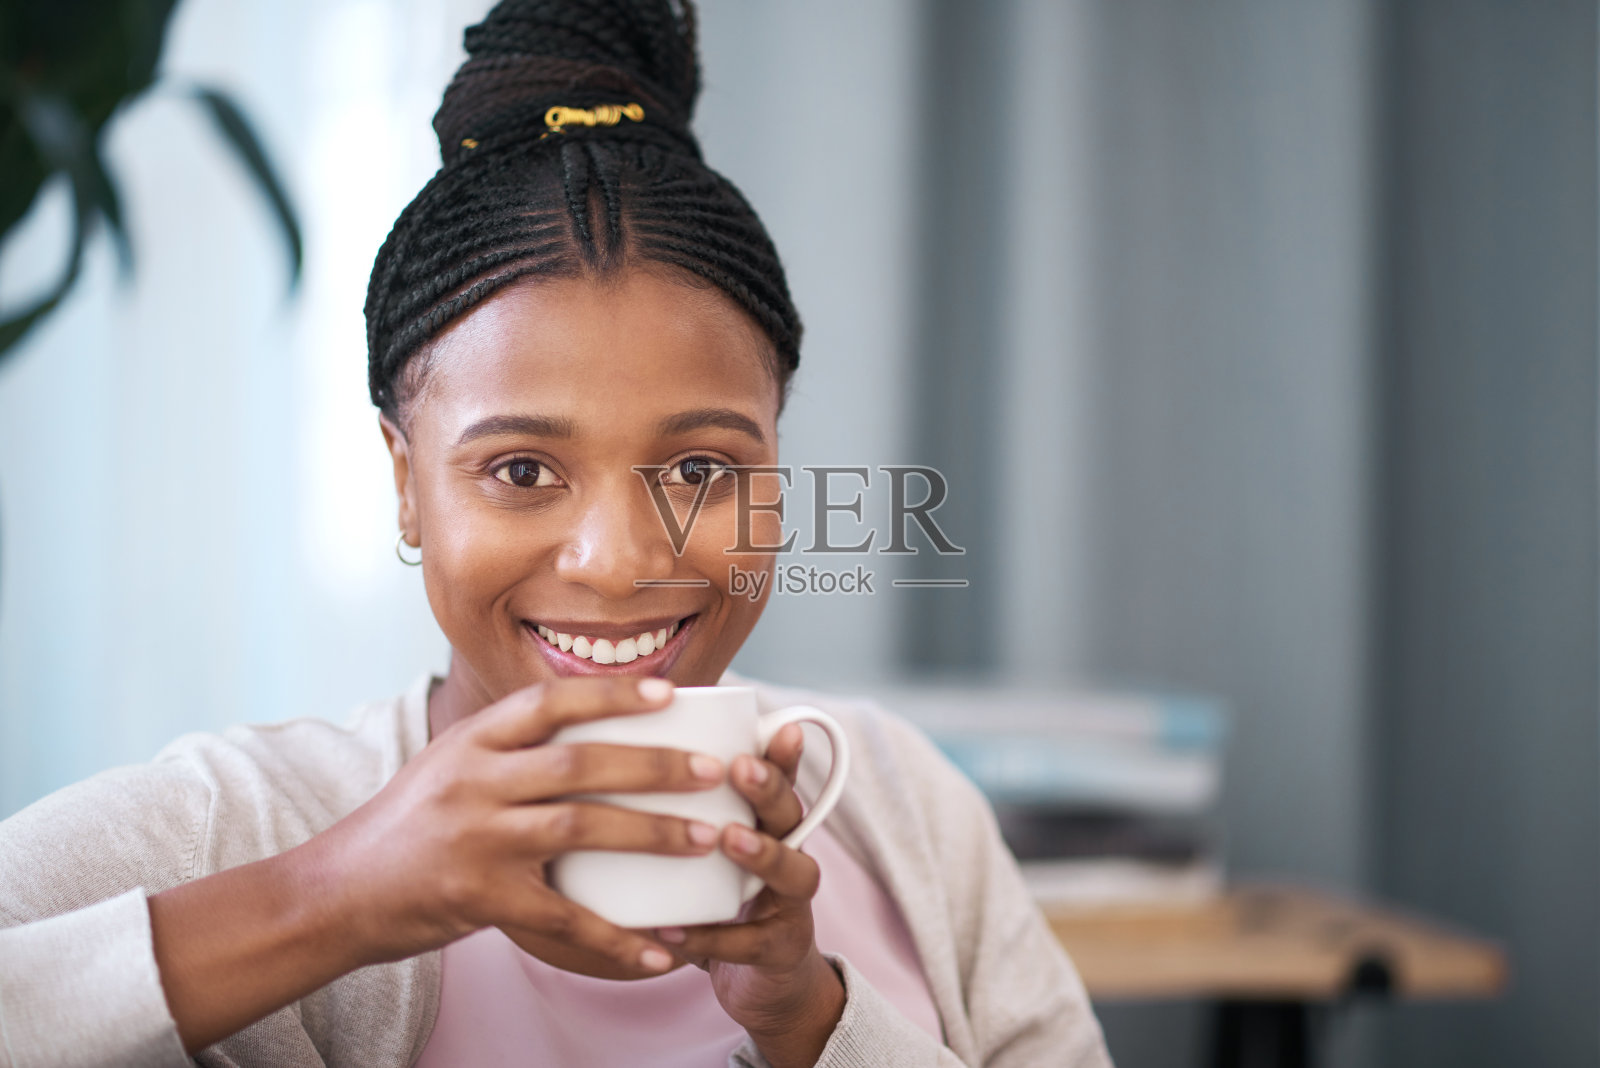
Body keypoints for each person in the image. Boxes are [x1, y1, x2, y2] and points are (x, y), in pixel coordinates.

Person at [0, 2, 1112, 1065]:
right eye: (522, 470)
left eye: (698, 469)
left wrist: (812, 1023)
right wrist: (335, 897)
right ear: (404, 482)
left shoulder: (893, 801)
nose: (620, 563)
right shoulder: (237, 829)